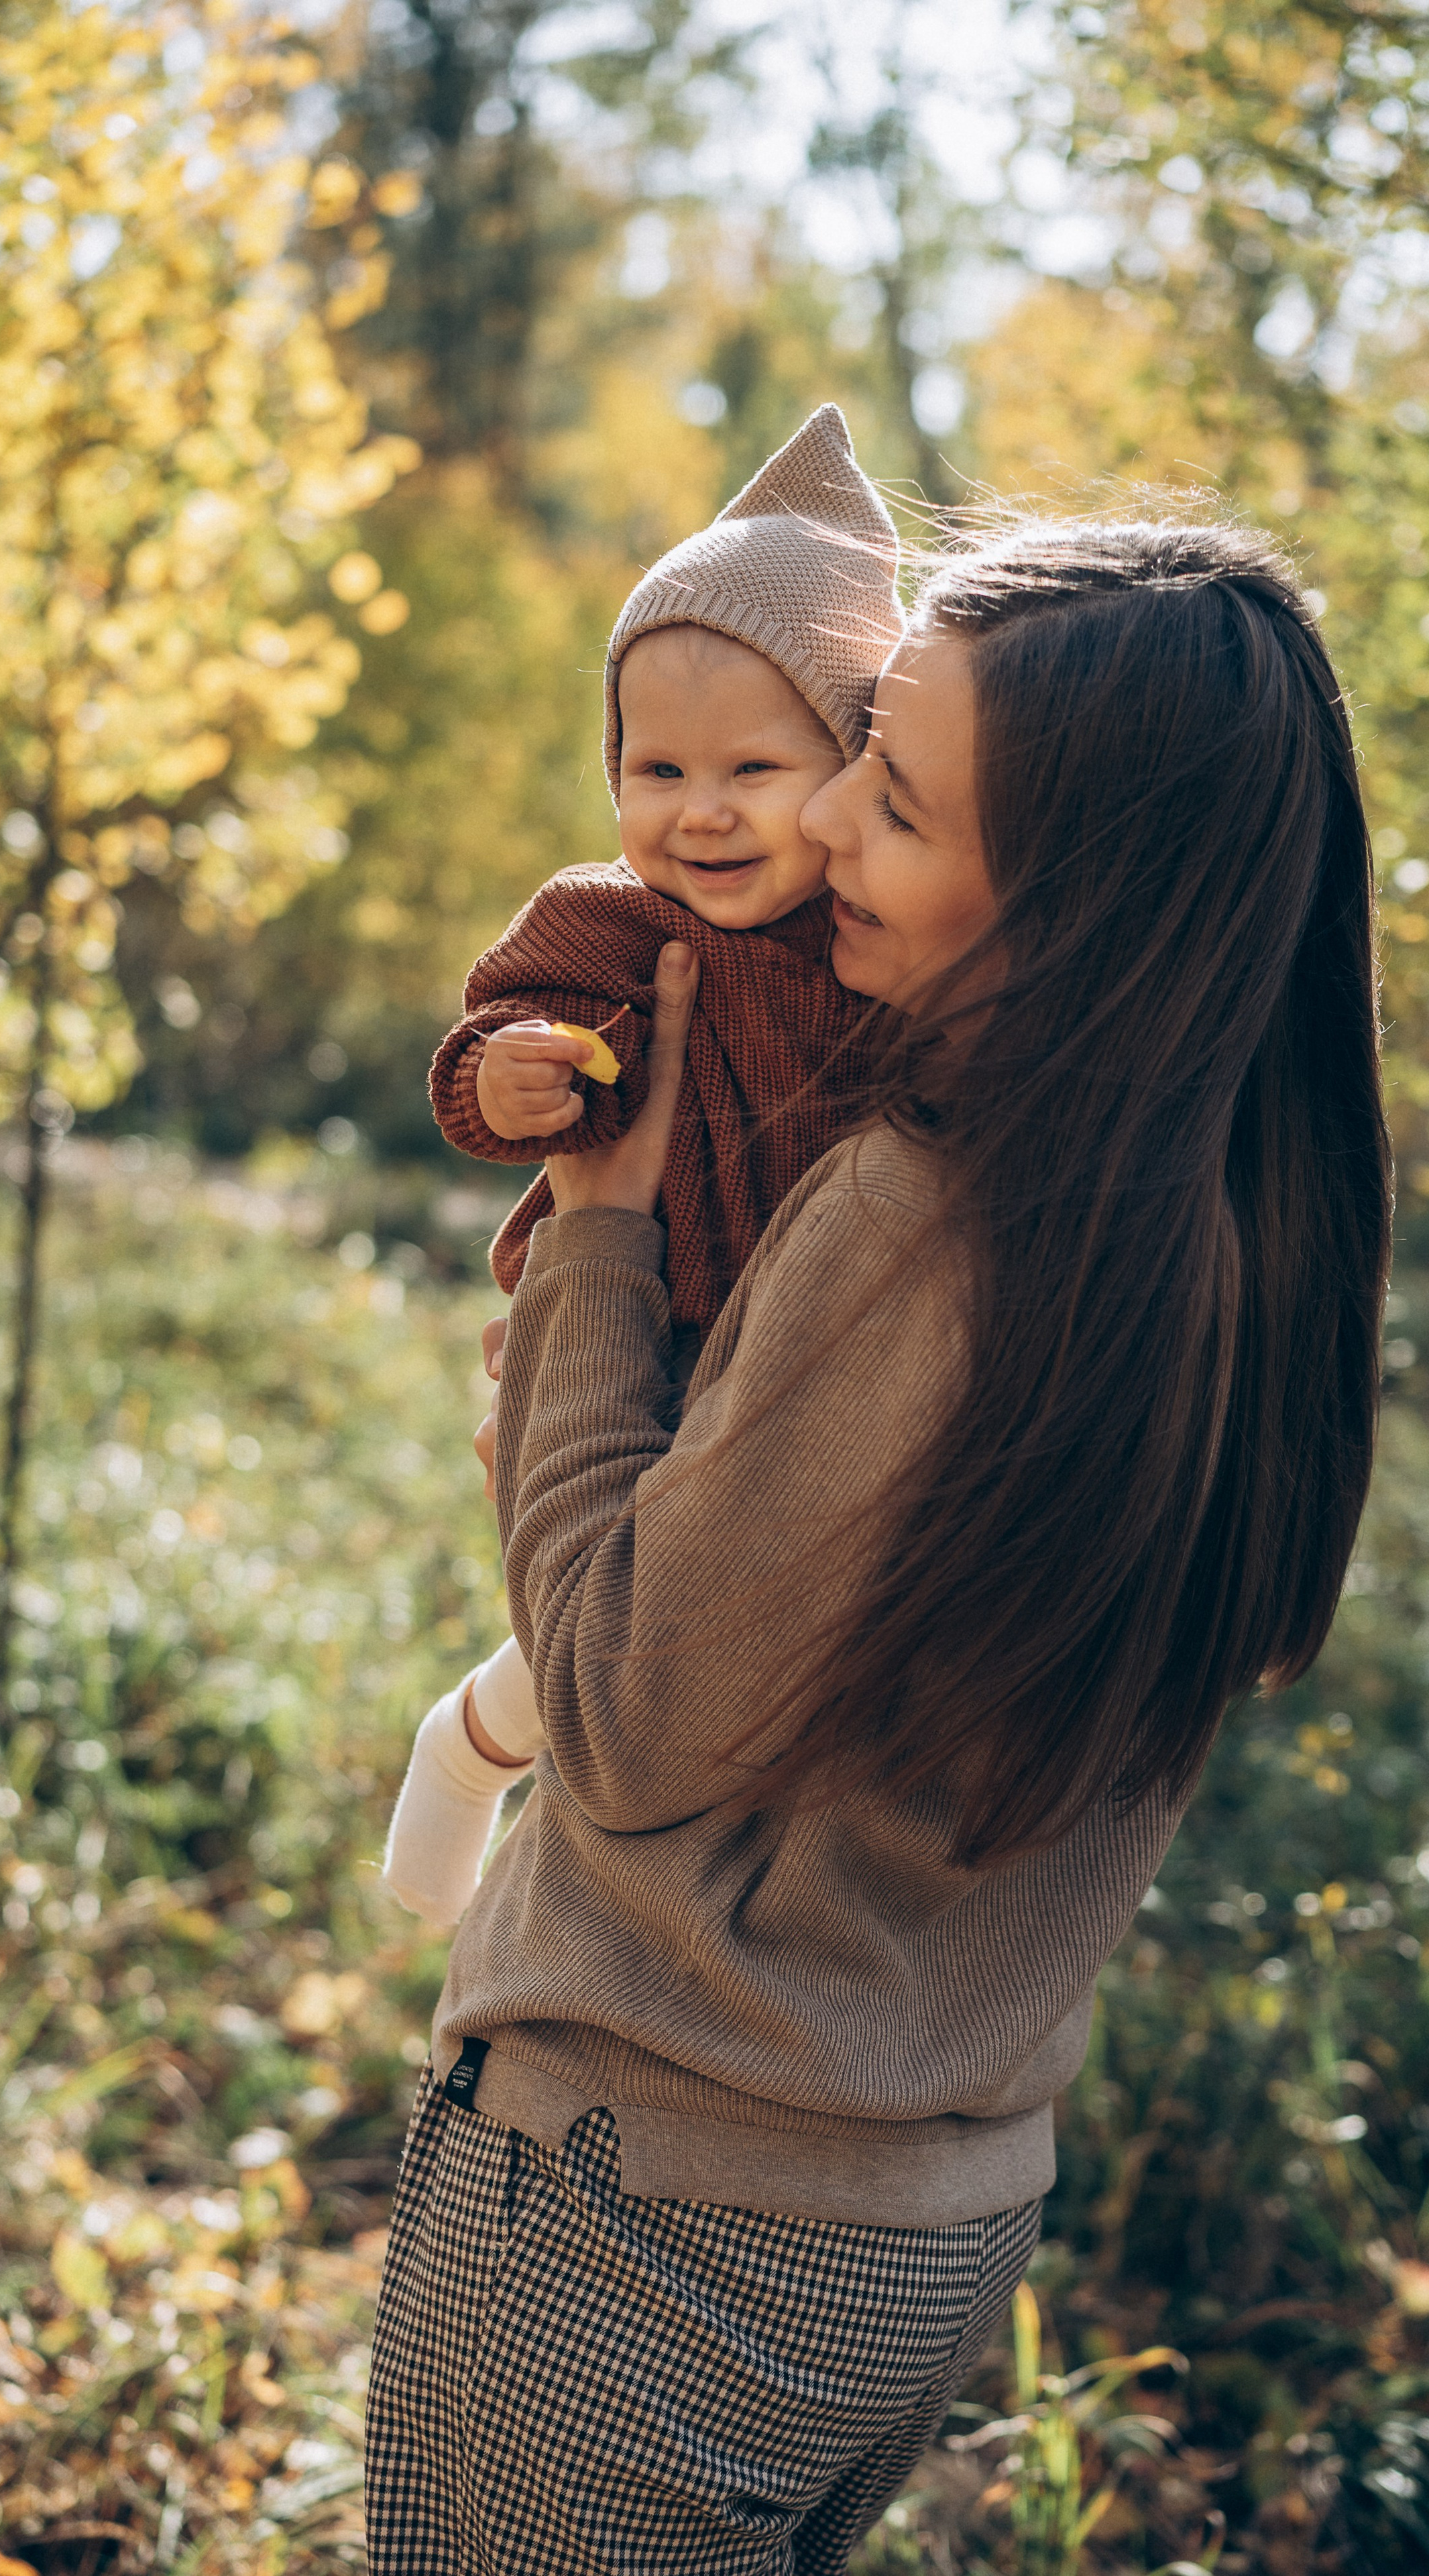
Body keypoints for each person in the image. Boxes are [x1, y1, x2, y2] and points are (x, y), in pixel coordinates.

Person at [363, 515, 1392, 2576]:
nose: (819, 818)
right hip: (925, 2229)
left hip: (642, 2218)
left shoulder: (932, 1217)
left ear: (1076, 904)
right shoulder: (1247, 1224)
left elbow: (632, 1715)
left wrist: (599, 1243)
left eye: (893, 794)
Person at [383, 405, 903, 1935]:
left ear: (856, 764)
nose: (700, 809)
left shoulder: (880, 941)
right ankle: (475, 1748)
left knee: (770, 1622)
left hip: (812, 1340)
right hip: (653, 1319)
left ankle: (518, 1754)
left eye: (754, 763)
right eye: (654, 766)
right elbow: (488, 1041)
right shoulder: (613, 920)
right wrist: (506, 1078)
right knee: (625, 1604)